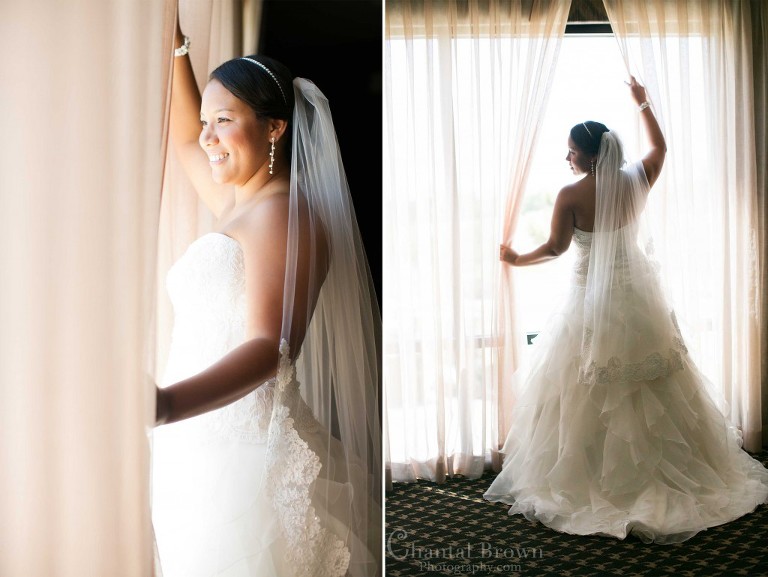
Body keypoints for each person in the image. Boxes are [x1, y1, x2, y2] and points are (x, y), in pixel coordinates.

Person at [483, 76, 768, 543]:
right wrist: (644, 103)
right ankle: (660, 470)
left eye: (572, 150)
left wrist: (516, 259)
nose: (567, 157)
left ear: (591, 155)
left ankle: (597, 476)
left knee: (584, 392)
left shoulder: (570, 195)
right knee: (653, 388)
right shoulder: (638, 179)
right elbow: (661, 147)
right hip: (638, 299)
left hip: (590, 306)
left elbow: (555, 248)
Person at [150, 15, 381, 577]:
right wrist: (177, 45)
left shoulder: (282, 213)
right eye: (208, 120)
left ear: (273, 128)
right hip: (200, 448)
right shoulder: (243, 204)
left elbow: (269, 347)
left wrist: (166, 403)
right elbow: (185, 142)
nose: (208, 136)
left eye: (224, 121)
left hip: (246, 458)